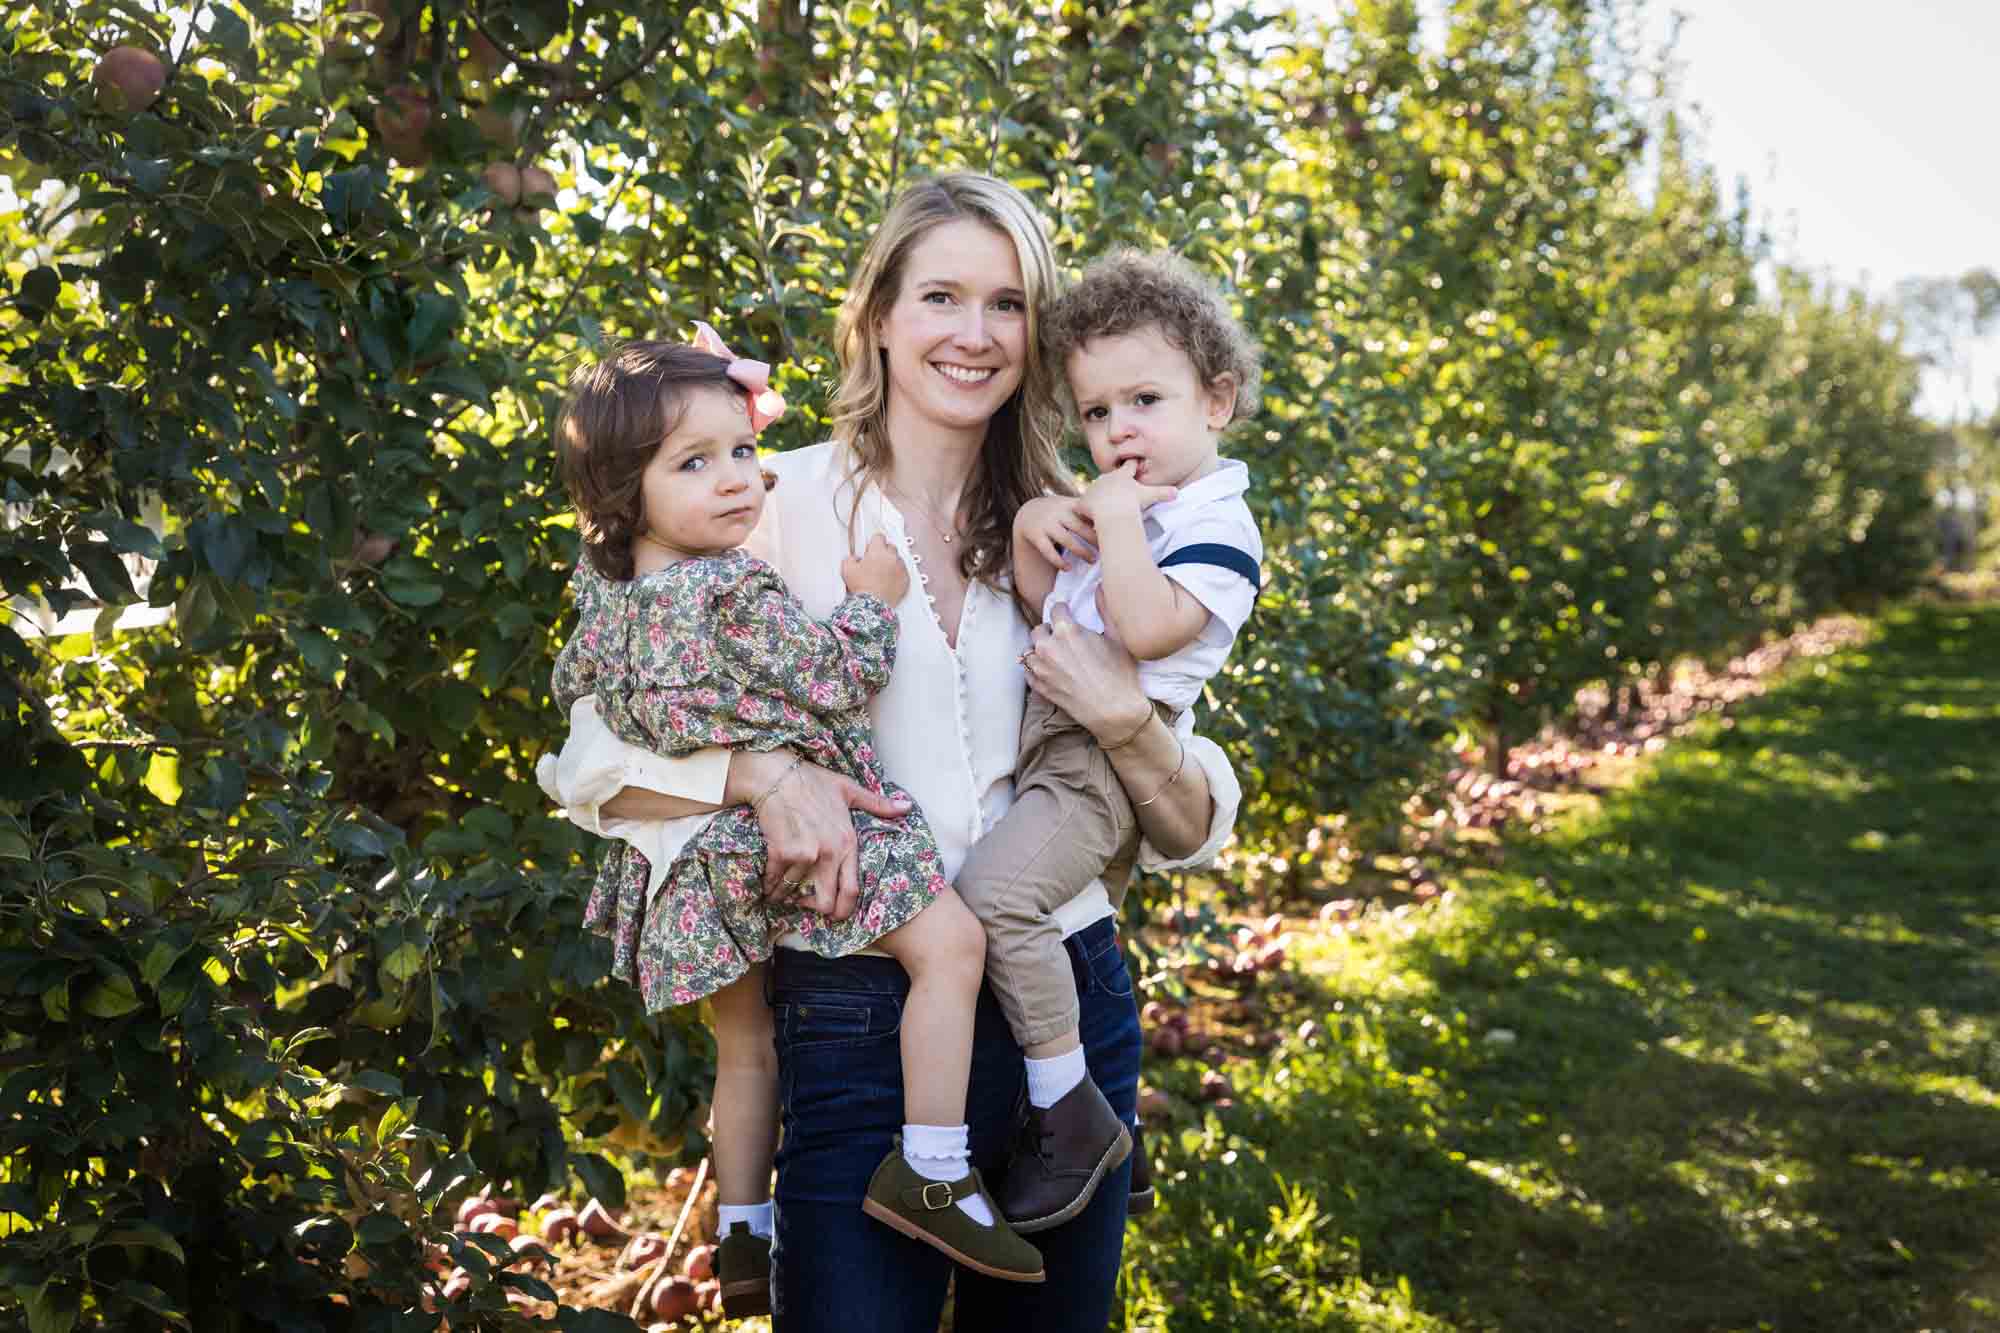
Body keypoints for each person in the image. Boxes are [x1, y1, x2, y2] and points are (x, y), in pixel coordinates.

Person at [541, 173, 1242, 1332]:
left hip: (1062, 1002)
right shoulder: (762, 504)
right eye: (940, 296)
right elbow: (586, 757)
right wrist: (760, 774)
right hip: (857, 1008)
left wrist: (1121, 719)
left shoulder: (1086, 524)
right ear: (875, 313)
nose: (974, 335)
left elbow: (1190, 807)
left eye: (1008, 304)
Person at [541, 334, 1045, 1318]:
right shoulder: (732, 589)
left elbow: (582, 702)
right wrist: (871, 604)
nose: (737, 481)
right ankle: (934, 1167)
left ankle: (739, 1229)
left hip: (695, 868)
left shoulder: (602, 605)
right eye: (695, 463)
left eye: (739, 452)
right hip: (809, 840)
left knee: (746, 1045)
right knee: (950, 947)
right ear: (618, 490)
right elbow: (836, 676)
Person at [960, 249, 1264, 1232]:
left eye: (1144, 400)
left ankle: (1076, 1114)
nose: (1117, 430)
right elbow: (1053, 608)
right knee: (1018, 905)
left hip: (1097, 765)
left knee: (994, 898)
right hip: (1055, 744)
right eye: (1095, 414)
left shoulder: (1217, 524)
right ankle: (1099, 1133)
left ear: (1214, 402)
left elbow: (1138, 631)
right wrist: (1032, 531)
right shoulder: (1135, 509)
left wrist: (1117, 519)